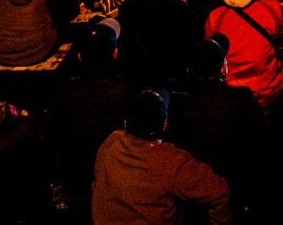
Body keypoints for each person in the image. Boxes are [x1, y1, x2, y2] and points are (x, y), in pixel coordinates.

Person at [91, 90, 233, 225]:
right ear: (164, 125)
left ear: (125, 123)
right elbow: (220, 193)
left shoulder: (110, 143)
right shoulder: (171, 161)